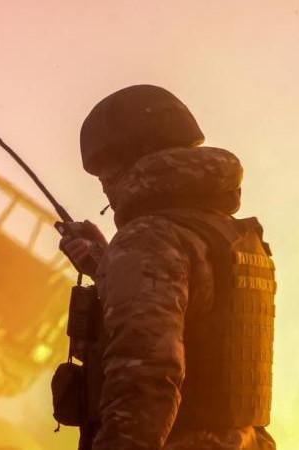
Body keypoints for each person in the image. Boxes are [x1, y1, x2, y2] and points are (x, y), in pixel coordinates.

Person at [59, 85, 276, 450]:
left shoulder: (148, 239)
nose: (107, 194)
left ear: (129, 165)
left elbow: (144, 380)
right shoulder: (234, 237)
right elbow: (198, 316)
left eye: (105, 179)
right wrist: (108, 266)